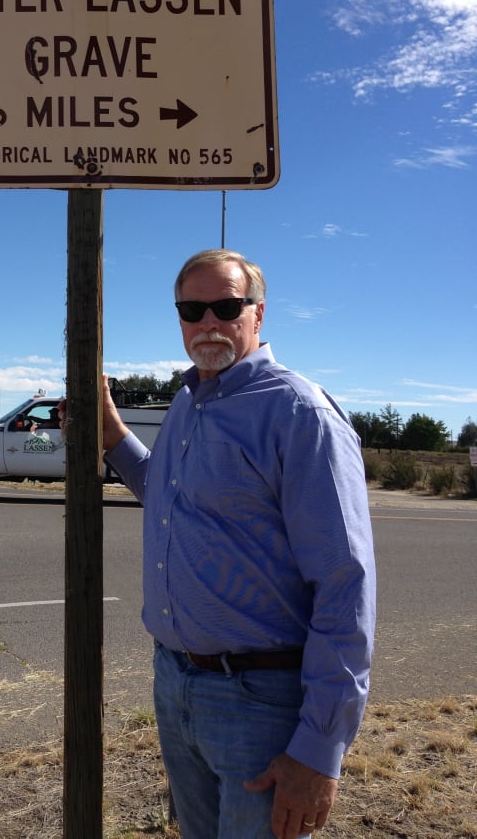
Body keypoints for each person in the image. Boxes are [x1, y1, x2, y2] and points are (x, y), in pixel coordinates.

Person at [99, 248, 376, 839]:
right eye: (192, 308)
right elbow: (172, 497)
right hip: (176, 685)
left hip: (263, 699)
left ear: (259, 314)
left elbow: (343, 585)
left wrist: (320, 749)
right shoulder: (186, 402)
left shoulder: (298, 413)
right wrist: (113, 433)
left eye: (227, 306)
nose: (208, 322)